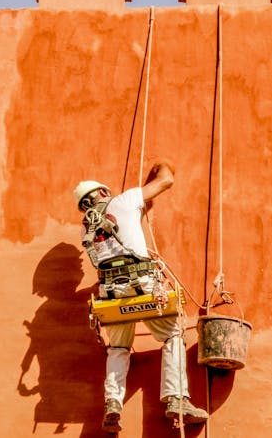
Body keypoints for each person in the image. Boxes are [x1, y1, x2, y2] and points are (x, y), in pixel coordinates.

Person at [74, 161, 208, 434]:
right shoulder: (125, 201)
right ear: (103, 193)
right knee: (173, 335)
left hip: (111, 292)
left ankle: (113, 403)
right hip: (142, 283)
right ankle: (176, 398)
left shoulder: (86, 229)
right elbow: (166, 180)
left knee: (118, 347)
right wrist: (161, 166)